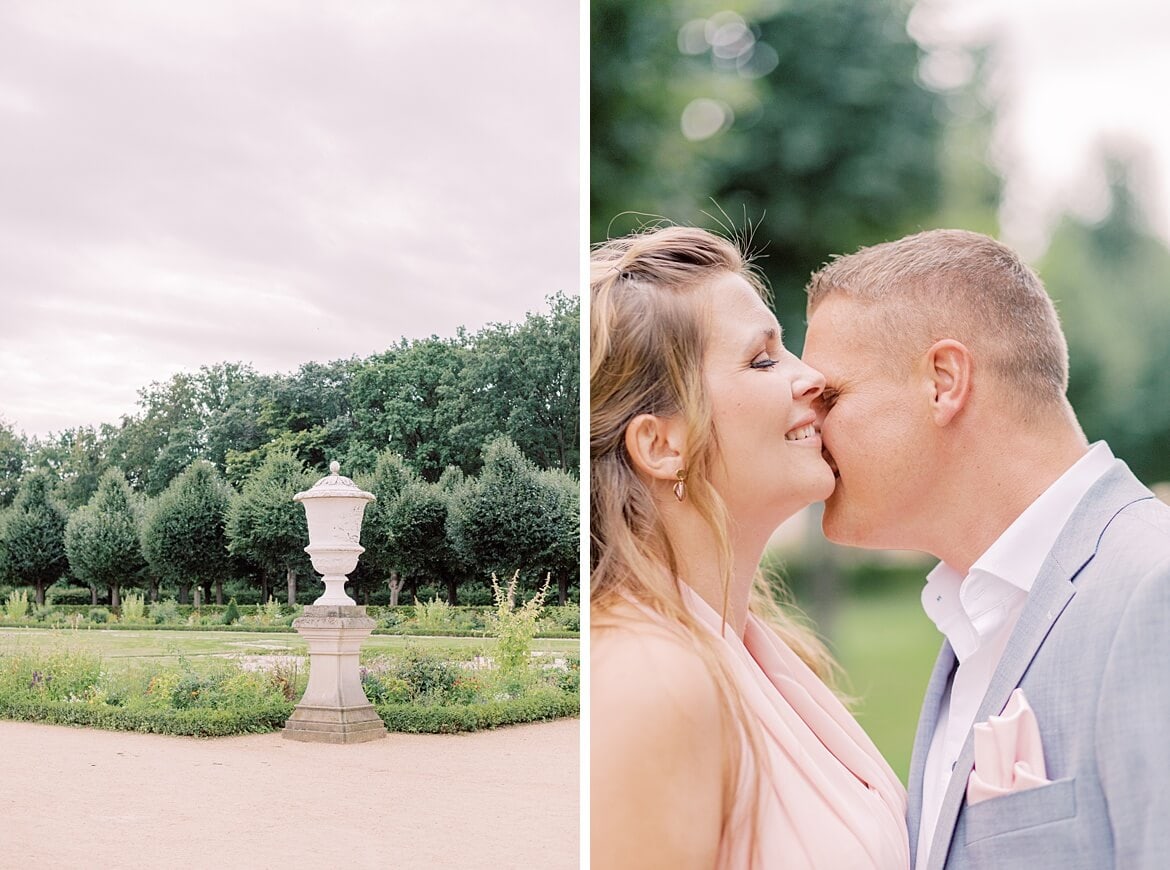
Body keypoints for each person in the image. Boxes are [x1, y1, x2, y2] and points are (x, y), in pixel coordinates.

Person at [801, 228, 1170, 870]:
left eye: (830, 396)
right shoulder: (975, 615)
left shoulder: (1152, 592)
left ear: (944, 381)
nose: (810, 429)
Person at [590, 226, 908, 869]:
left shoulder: (769, 652)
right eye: (763, 360)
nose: (813, 378)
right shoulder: (650, 684)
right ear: (662, 445)